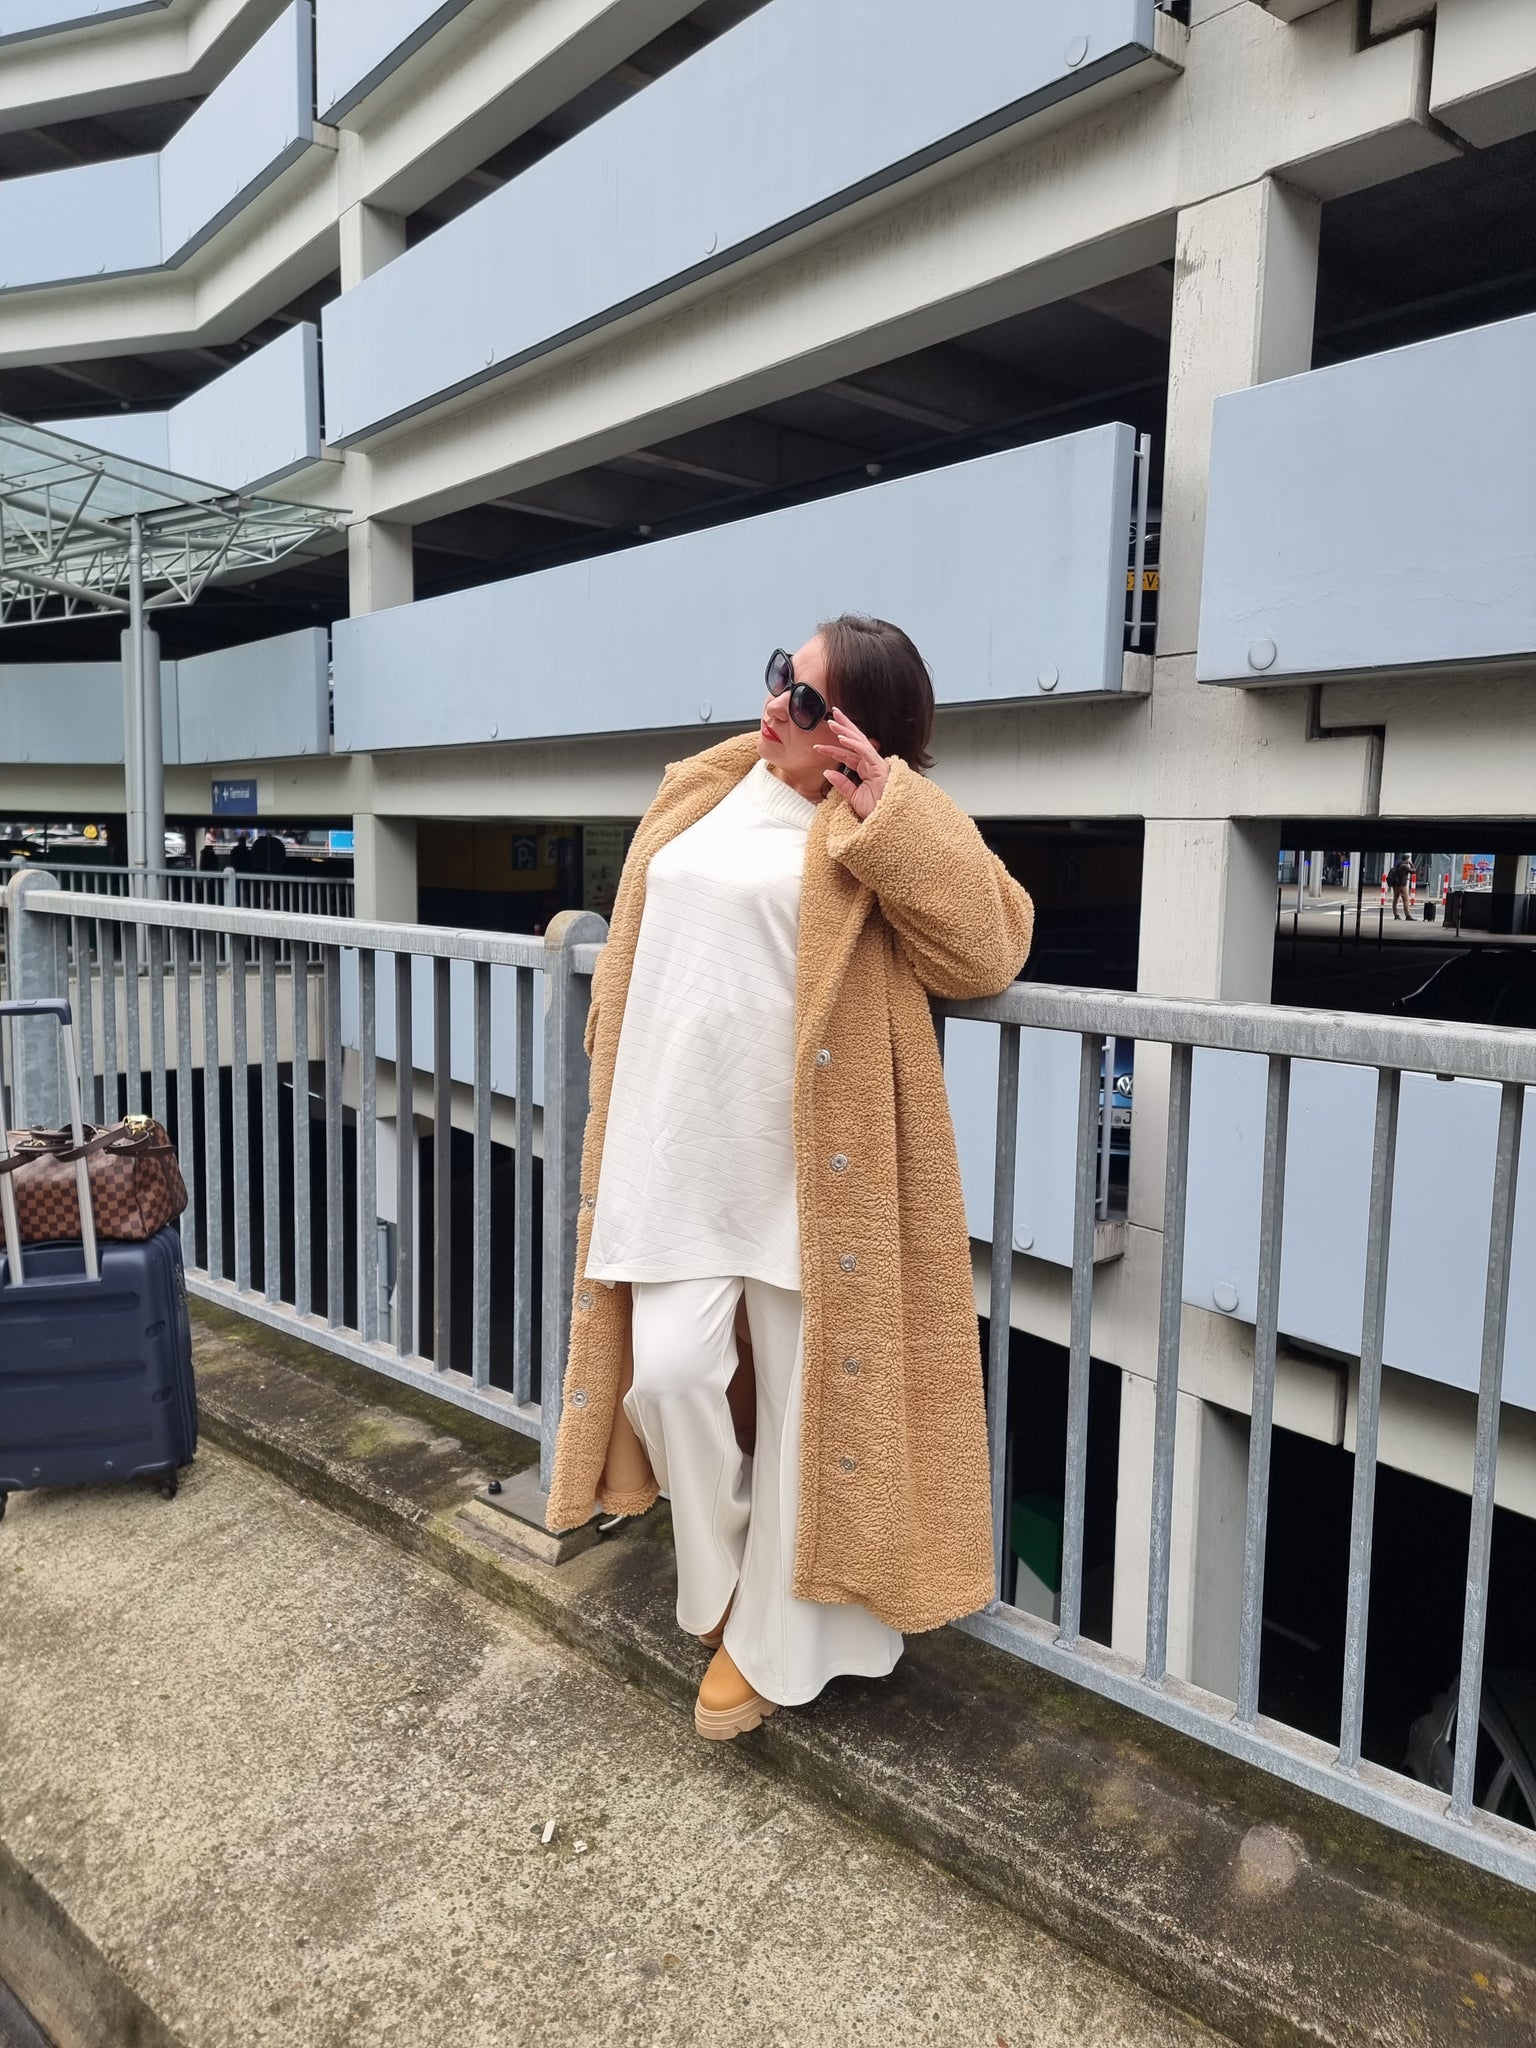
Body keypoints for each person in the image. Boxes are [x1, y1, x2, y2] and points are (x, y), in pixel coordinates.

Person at [546, 615, 1035, 1740]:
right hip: (678, 1146)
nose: (777, 704)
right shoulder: (708, 785)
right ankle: (724, 1579)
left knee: (813, 1409)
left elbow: (990, 946)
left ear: (860, 732)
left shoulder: (869, 827)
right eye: (782, 676)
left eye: (807, 699)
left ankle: (768, 1643)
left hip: (812, 1170)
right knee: (671, 1374)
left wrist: (890, 807)